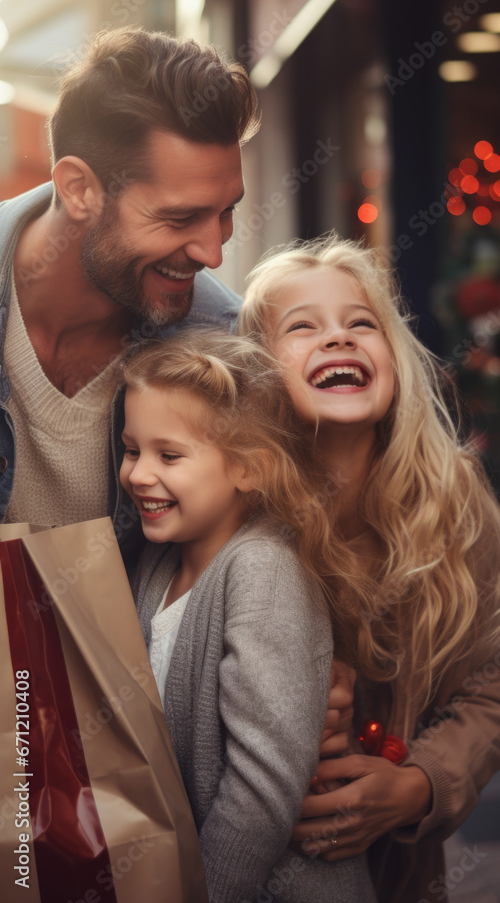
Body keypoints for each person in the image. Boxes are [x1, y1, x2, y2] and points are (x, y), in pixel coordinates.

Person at [239, 234, 500, 903]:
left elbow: (491, 682)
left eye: (362, 324)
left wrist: (419, 784)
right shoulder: (235, 510)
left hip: (403, 880)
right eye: (304, 327)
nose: (339, 339)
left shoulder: (453, 501)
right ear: (257, 369)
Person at [119, 328, 377, 903]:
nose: (137, 474)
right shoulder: (158, 562)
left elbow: (264, 787)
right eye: (132, 449)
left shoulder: (264, 569)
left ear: (249, 469)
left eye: (170, 455)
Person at [0, 25, 259, 564]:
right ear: (78, 190)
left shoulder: (223, 349)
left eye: (226, 212)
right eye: (180, 217)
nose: (213, 252)